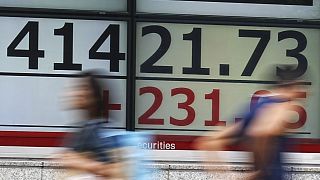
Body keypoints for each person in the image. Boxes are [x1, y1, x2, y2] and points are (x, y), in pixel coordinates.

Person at [195, 66, 307, 180]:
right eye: (302, 87)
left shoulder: (258, 106)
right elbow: (262, 132)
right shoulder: (282, 107)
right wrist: (261, 171)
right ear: (294, 86)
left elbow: (208, 142)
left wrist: (226, 176)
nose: (304, 92)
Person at [58, 70, 150, 180]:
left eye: (83, 88)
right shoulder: (84, 129)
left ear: (95, 96)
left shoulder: (98, 130)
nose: (75, 93)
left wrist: (82, 163)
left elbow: (116, 170)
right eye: (75, 88)